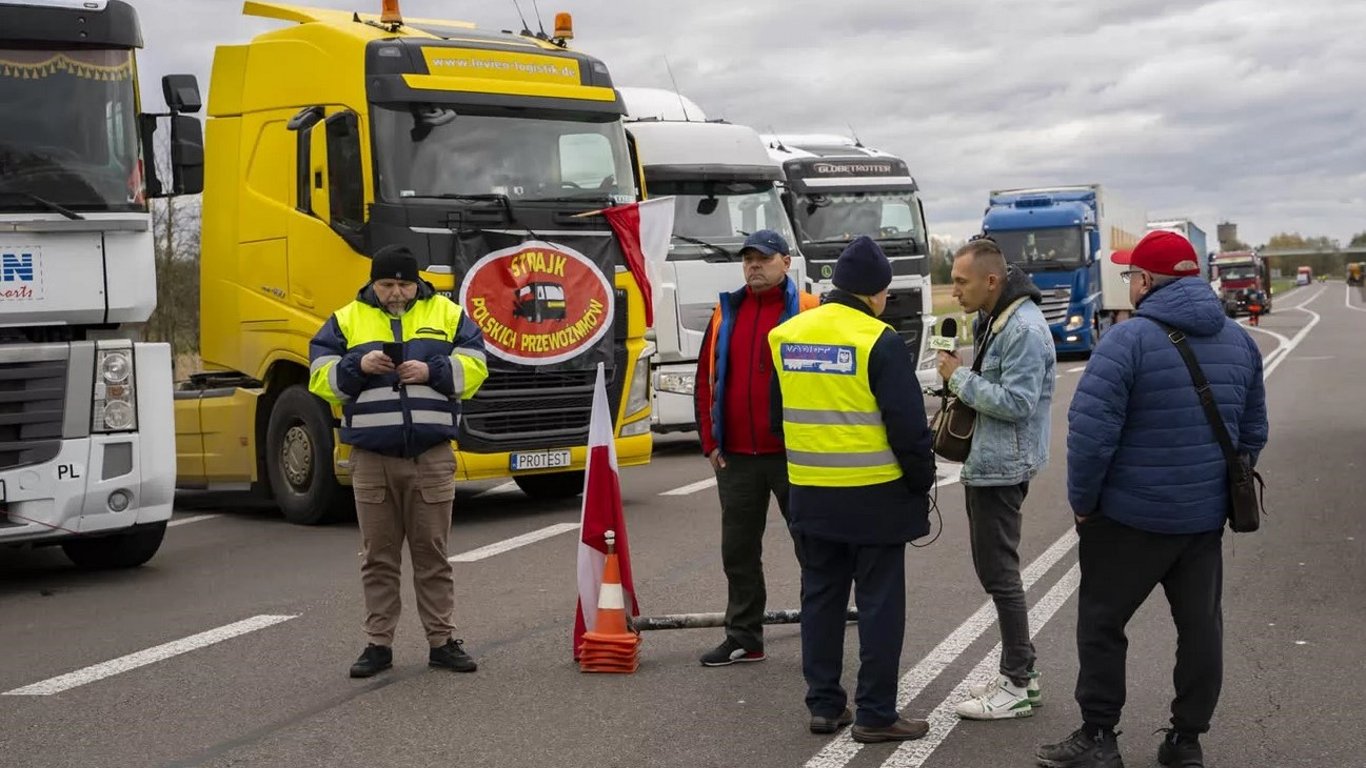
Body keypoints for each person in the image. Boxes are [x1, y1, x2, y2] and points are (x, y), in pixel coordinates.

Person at [1035, 230, 1268, 768]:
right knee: (1200, 628)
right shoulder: (1239, 341)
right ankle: (1185, 741)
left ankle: (1098, 738)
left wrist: (1084, 503)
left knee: (1101, 624)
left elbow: (1091, 438)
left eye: (1130, 276)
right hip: (1202, 520)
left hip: (1128, 519)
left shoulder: (1126, 341)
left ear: (1145, 282)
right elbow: (1252, 433)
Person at [768, 235, 936, 742]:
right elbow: (908, 426)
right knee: (880, 603)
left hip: (811, 491)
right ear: (877, 293)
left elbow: (780, 417)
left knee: (820, 598)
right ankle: (876, 713)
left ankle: (824, 706)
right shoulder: (878, 339)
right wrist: (921, 480)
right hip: (875, 494)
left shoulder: (786, 335)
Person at [308, 244, 490, 679]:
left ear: (417, 282)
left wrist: (433, 372)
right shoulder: (345, 319)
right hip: (372, 458)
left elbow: (479, 366)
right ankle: (378, 645)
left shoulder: (447, 314)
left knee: (433, 554)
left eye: (404, 284)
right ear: (373, 282)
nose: (396, 293)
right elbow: (319, 376)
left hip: (430, 456)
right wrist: (358, 365)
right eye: (387, 284)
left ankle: (442, 642)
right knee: (379, 557)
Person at [935, 236, 1055, 720]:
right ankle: (1021, 673)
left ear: (992, 281)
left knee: (1000, 575)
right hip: (991, 461)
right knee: (995, 572)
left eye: (961, 281)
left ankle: (1018, 682)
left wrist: (958, 379)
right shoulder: (996, 318)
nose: (954, 290)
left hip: (1002, 466)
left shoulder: (1022, 328)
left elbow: (1019, 403)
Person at [694, 229, 819, 666]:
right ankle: (745, 637)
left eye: (763, 259)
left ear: (786, 262)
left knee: (812, 548)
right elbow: (705, 379)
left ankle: (819, 632)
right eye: (747, 259)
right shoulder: (726, 311)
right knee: (739, 553)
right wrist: (710, 442)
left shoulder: (809, 310)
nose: (753, 266)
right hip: (737, 459)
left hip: (792, 455)